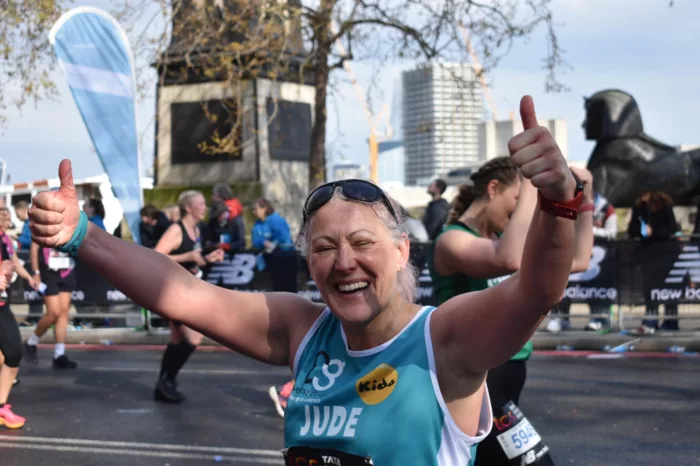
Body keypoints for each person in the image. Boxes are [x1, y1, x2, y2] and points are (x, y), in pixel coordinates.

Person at [29, 95, 580, 466]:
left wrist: (558, 201)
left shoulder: (445, 339)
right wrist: (83, 235)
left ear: (401, 250)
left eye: (363, 244)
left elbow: (537, 288)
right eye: (324, 248)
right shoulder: (304, 330)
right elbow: (183, 292)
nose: (344, 262)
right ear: (309, 262)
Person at [429, 156, 593, 466]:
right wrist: (533, 178)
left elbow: (580, 259)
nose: (524, 207)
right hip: (476, 379)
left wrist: (584, 195)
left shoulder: (504, 240)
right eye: (519, 198)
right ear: (493, 189)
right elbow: (507, 259)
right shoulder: (451, 240)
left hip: (509, 373)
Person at [152, 191, 224, 402]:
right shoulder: (177, 229)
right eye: (201, 204)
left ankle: (165, 383)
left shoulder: (197, 229)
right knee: (194, 338)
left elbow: (193, 260)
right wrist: (188, 256)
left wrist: (208, 258)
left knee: (177, 339)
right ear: (189, 208)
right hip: (172, 291)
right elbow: (157, 256)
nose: (205, 208)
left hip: (187, 289)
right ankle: (166, 381)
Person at [24, 235, 80, 369]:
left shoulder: (70, 222)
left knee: (64, 312)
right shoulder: (45, 221)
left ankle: (59, 354)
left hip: (67, 269)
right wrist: (36, 272)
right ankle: (31, 341)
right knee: (53, 312)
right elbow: (34, 246)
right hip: (48, 271)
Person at [628, 191, 680, 333]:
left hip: (666, 253)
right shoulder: (639, 208)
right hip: (648, 254)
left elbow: (672, 228)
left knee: (669, 288)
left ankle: (671, 321)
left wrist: (654, 231)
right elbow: (632, 229)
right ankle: (651, 319)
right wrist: (641, 231)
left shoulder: (665, 206)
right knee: (650, 288)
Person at [0, 239, 25, 429]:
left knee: (14, 352)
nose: (5, 214)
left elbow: (9, 261)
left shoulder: (3, 238)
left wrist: (7, 268)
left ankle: (0, 407)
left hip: (1, 305)